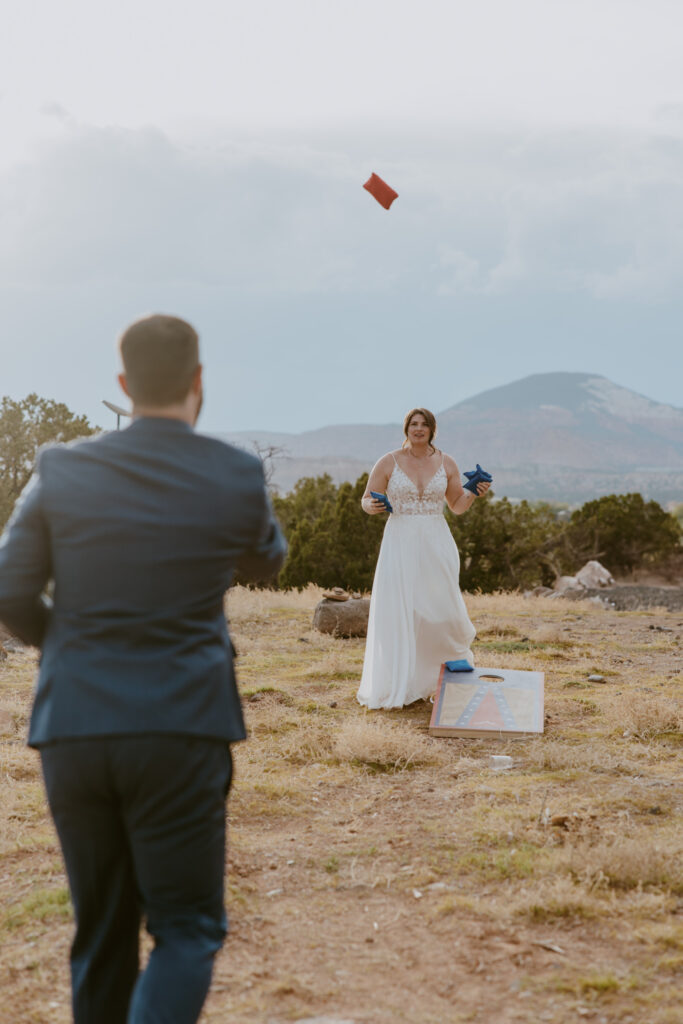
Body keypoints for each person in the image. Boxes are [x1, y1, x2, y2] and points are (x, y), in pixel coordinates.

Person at [0, 314, 287, 1024]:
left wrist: (66, 647)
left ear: (124, 385)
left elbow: (8, 587)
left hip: (74, 728)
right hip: (181, 726)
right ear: (198, 383)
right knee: (186, 929)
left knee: (100, 934)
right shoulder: (235, 473)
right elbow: (269, 560)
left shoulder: (60, 468)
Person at [357, 408, 490, 709]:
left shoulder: (447, 462)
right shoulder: (388, 461)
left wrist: (474, 492)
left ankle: (438, 680)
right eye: (413, 424)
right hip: (400, 542)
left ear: (432, 429)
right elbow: (366, 498)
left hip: (436, 541)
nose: (418, 429)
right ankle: (403, 682)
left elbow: (456, 505)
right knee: (403, 609)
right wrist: (372, 507)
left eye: (424, 424)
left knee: (441, 609)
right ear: (406, 429)